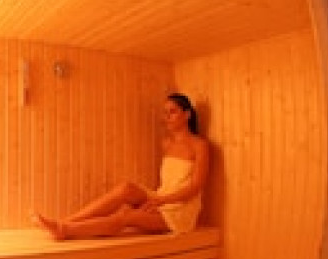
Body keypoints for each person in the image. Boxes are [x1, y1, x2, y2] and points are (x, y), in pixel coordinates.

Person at [34, 93, 209, 240]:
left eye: (173, 112)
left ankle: (64, 230)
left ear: (187, 115)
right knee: (126, 188)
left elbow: (196, 187)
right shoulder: (167, 144)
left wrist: (161, 201)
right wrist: (155, 201)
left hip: (181, 212)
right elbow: (169, 183)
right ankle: (66, 220)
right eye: (165, 112)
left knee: (126, 215)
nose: (167, 117)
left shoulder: (199, 145)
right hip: (161, 198)